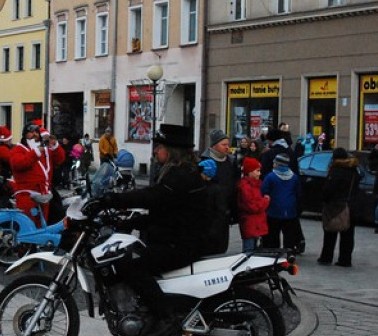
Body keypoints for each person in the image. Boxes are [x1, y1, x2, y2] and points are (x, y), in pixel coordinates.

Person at [85, 124, 207, 311]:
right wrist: (124, 221)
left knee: (131, 265)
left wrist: (110, 199)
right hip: (176, 237)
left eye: (160, 147)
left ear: (172, 151)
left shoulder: (180, 175)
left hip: (180, 244)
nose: (156, 151)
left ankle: (163, 314)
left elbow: (150, 197)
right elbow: (163, 213)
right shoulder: (181, 171)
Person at [9, 121, 64, 225]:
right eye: (31, 132)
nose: (34, 134)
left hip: (44, 194)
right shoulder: (18, 149)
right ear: (25, 135)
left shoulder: (45, 150)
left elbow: (60, 159)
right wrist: (35, 153)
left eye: (36, 132)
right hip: (27, 194)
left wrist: (55, 146)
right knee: (28, 224)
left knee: (43, 224)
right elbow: (18, 164)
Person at [199, 129, 239, 256]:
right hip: (209, 210)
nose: (227, 147)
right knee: (210, 242)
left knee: (222, 243)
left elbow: (235, 182)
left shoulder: (231, 161)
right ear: (214, 145)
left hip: (226, 209)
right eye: (224, 144)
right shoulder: (205, 162)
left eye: (228, 144)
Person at [317, 148, 359, 267]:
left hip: (335, 205)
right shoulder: (354, 170)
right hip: (351, 205)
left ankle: (326, 257)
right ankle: (345, 259)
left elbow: (329, 189)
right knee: (348, 234)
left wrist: (324, 198)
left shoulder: (336, 171)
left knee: (330, 231)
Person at [261, 153, 303, 251]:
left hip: (273, 210)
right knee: (289, 235)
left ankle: (273, 253)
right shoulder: (294, 177)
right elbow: (298, 193)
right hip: (290, 210)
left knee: (273, 235)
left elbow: (264, 191)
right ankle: (289, 253)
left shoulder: (270, 177)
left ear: (277, 164)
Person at [237, 157, 269, 254]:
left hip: (254, 223)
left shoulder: (255, 185)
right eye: (257, 171)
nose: (260, 173)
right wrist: (266, 201)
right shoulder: (245, 187)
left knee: (253, 251)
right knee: (249, 252)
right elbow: (253, 206)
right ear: (250, 171)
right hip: (250, 223)